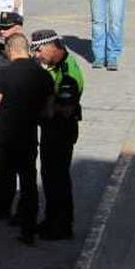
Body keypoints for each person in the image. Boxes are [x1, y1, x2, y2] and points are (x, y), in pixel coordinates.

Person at [0, 33, 54, 246]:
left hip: (2, 138)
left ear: (10, 49)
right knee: (28, 184)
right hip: (28, 137)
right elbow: (48, 112)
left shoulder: (3, 73)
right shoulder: (44, 76)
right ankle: (28, 231)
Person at [32, 29, 85, 241]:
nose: (37, 56)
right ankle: (51, 218)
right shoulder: (53, 65)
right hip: (50, 129)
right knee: (48, 175)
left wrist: (46, 104)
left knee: (58, 178)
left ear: (52, 47)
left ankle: (62, 225)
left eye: (39, 51)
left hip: (61, 130)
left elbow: (65, 109)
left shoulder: (68, 72)